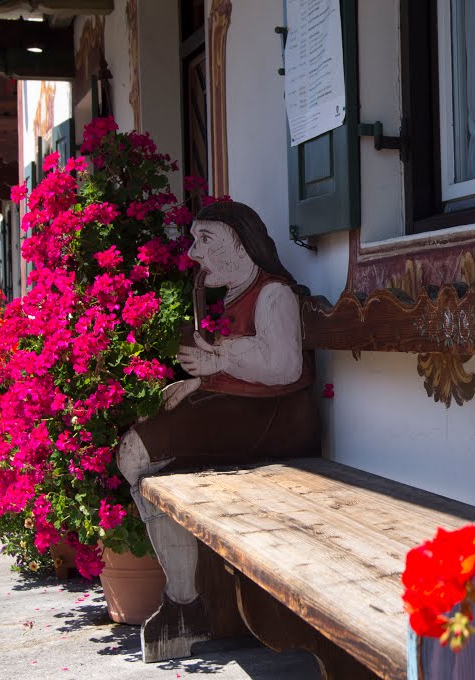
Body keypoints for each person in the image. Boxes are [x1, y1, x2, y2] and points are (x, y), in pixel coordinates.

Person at [117, 201, 320, 662]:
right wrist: (196, 382)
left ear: (241, 243)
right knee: (142, 462)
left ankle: (185, 603)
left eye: (205, 240)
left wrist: (219, 359)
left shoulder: (273, 294)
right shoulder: (233, 296)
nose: (193, 253)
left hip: (274, 419)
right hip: (243, 410)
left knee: (139, 456)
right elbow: (238, 364)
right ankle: (185, 600)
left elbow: (283, 365)